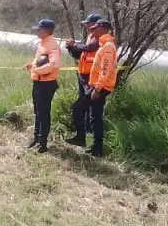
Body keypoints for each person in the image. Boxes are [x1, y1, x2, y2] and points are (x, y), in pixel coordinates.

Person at [24, 18, 62, 154]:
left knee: (43, 113)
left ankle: (43, 143)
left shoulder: (52, 45)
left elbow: (53, 65)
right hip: (38, 82)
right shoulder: (42, 44)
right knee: (37, 112)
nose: (37, 31)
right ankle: (36, 139)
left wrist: (36, 70)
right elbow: (40, 62)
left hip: (47, 84)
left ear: (46, 31)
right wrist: (32, 66)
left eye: (39, 29)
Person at [64, 13, 102, 146]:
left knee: (87, 112)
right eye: (86, 25)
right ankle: (84, 139)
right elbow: (81, 54)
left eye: (90, 25)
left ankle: (92, 144)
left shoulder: (101, 40)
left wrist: (75, 45)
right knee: (86, 111)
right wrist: (71, 47)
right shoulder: (91, 37)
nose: (87, 28)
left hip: (94, 81)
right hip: (84, 78)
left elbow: (87, 48)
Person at [85, 19, 118, 157]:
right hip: (96, 86)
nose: (93, 31)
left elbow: (105, 69)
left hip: (101, 88)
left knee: (96, 118)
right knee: (93, 116)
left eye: (95, 29)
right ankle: (94, 146)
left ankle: (97, 149)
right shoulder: (104, 44)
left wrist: (97, 89)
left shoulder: (108, 46)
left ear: (104, 29)